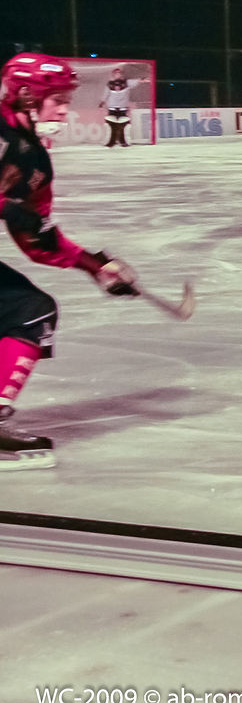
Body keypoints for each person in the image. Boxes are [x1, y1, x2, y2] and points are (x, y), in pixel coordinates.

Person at [0, 54, 141, 469]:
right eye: (57, 99)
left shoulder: (35, 160)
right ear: (27, 96)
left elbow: (38, 240)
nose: (65, 109)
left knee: (32, 311)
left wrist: (94, 266)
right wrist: (7, 207)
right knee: (29, 312)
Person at [99, 66, 144, 147]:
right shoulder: (110, 84)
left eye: (119, 73)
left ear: (121, 75)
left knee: (124, 126)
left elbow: (138, 81)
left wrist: (144, 79)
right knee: (111, 126)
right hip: (112, 108)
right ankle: (111, 142)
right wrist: (102, 102)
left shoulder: (126, 83)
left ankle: (123, 141)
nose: (118, 75)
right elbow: (106, 94)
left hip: (123, 108)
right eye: (116, 73)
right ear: (113, 75)